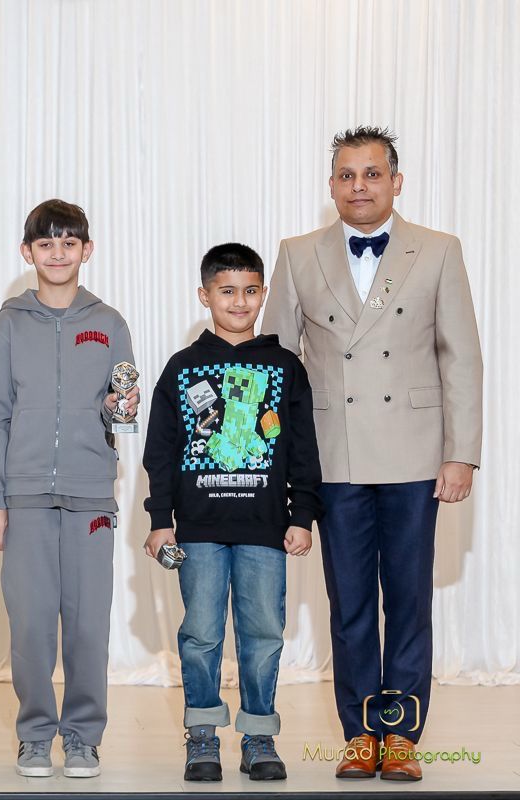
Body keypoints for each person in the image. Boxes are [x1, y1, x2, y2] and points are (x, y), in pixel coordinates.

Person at [262, 126, 483, 782]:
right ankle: (360, 733)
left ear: (396, 181)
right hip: (335, 454)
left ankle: (403, 735)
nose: (359, 186)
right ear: (331, 184)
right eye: (347, 175)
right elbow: (275, 360)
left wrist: (461, 453)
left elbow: (461, 357)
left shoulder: (439, 250)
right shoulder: (298, 253)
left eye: (372, 174)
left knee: (409, 598)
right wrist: (281, 460)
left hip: (416, 455)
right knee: (350, 598)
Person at [142, 243, 322, 782]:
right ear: (205, 296)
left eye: (249, 291)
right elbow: (162, 450)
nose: (239, 301)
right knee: (200, 631)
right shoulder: (183, 368)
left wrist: (301, 514)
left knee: (263, 630)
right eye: (226, 291)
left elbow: (302, 447)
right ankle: (201, 735)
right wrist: (159, 520)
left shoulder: (284, 367)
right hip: (196, 528)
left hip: (265, 527)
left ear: (264, 294)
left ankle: (259, 734)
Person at [0, 199, 138, 778]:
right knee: (31, 624)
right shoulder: (7, 326)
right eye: (46, 244)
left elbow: (120, 410)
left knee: (89, 623)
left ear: (87, 250)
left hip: (91, 493)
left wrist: (121, 409)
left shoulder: (110, 323)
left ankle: (84, 737)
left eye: (70, 242)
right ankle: (35, 735)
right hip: (23, 498)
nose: (58, 253)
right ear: (28, 253)